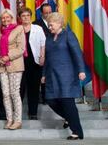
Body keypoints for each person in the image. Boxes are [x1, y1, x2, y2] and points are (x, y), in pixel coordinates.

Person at [41, 12, 86, 140]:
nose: (49, 27)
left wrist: (81, 70)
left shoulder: (68, 35)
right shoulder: (49, 37)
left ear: (60, 23)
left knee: (67, 102)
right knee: (50, 100)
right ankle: (68, 116)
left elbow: (77, 54)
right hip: (51, 75)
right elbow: (47, 58)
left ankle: (77, 131)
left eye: (51, 25)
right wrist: (43, 74)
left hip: (67, 75)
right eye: (48, 25)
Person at [0, 9, 25, 130]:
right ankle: (9, 119)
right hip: (2, 65)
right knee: (5, 94)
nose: (5, 20)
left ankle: (18, 121)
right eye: (3, 18)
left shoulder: (19, 29)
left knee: (14, 93)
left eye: (8, 17)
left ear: (12, 18)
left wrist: (7, 56)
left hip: (15, 64)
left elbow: (21, 48)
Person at [18, 8, 46, 120]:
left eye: (28, 15)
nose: (25, 17)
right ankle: (17, 114)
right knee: (20, 89)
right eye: (23, 15)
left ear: (31, 16)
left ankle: (33, 113)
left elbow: (43, 43)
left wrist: (43, 56)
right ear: (20, 18)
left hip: (34, 63)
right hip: (20, 63)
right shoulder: (17, 28)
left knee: (33, 89)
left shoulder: (38, 28)